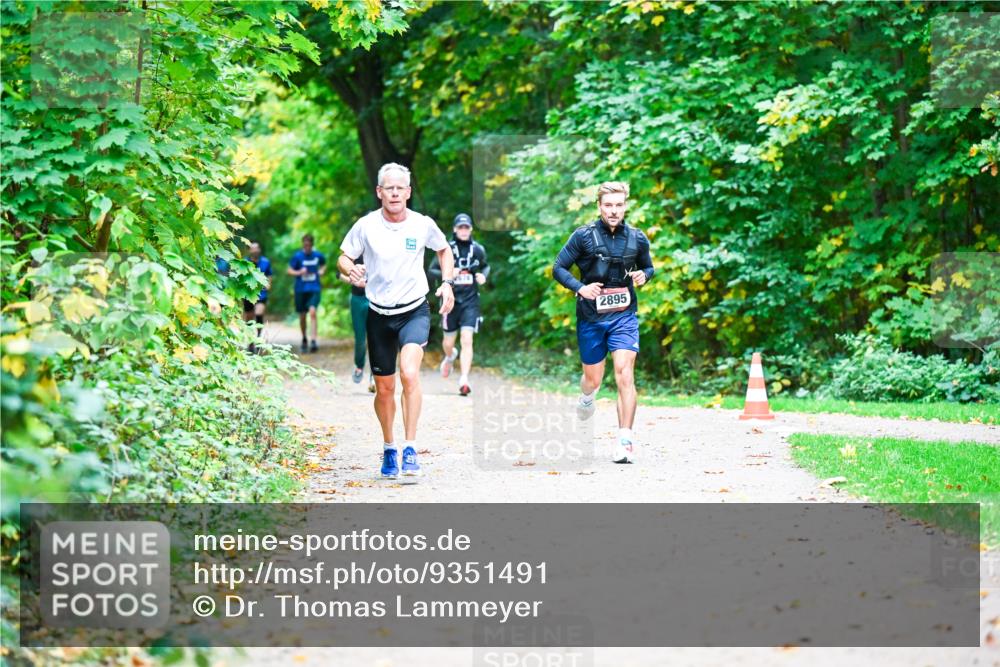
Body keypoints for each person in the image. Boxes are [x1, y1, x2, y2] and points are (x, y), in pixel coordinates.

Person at [338, 163, 455, 480]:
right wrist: (351, 268)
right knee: (385, 388)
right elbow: (344, 256)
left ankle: (410, 448)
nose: (394, 192)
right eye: (388, 187)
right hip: (378, 315)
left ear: (408, 192)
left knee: (409, 374)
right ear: (379, 192)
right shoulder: (366, 226)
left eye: (400, 187)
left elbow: (444, 251)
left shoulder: (421, 224)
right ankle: (389, 447)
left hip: (414, 310)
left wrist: (446, 283)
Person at [552, 181, 654, 464]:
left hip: (624, 315)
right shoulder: (583, 236)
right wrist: (580, 288)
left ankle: (625, 440)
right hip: (591, 317)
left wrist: (644, 276)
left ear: (625, 206)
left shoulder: (637, 238)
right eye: (608, 205)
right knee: (593, 378)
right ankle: (587, 396)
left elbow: (648, 267)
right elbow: (558, 268)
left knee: (624, 372)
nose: (613, 211)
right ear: (599, 206)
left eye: (619, 205)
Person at [428, 213, 489, 396]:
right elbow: (432, 270)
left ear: (471, 229)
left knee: (467, 339)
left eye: (467, 227)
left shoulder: (477, 249)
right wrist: (448, 274)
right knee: (448, 342)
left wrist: (483, 275)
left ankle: (464, 379)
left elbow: (485, 265)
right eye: (460, 227)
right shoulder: (447, 249)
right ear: (455, 229)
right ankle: (449, 356)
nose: (463, 230)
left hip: (470, 302)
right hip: (450, 301)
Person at [338, 255, 376, 393]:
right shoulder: (354, 252)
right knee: (360, 339)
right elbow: (339, 273)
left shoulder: (380, 247)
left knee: (376, 339)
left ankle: (375, 376)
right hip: (358, 299)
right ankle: (359, 366)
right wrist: (354, 280)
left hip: (376, 298)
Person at [288, 234, 326, 353]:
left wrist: (321, 271)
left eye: (309, 245)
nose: (307, 247)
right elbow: (289, 270)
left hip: (314, 288)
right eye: (305, 245)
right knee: (302, 316)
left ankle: (313, 340)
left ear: (312, 245)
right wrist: (299, 272)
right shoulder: (298, 256)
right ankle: (304, 338)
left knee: (313, 312)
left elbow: (323, 264)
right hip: (300, 289)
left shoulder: (317, 255)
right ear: (302, 244)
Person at [242, 241, 272, 352]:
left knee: (259, 313)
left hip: (261, 293)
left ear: (259, 250)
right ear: (249, 250)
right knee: (249, 317)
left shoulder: (265, 262)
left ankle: (259, 339)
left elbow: (269, 276)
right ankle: (250, 341)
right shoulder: (244, 262)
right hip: (248, 294)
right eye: (252, 248)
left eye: (256, 248)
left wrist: (268, 285)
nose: (254, 250)